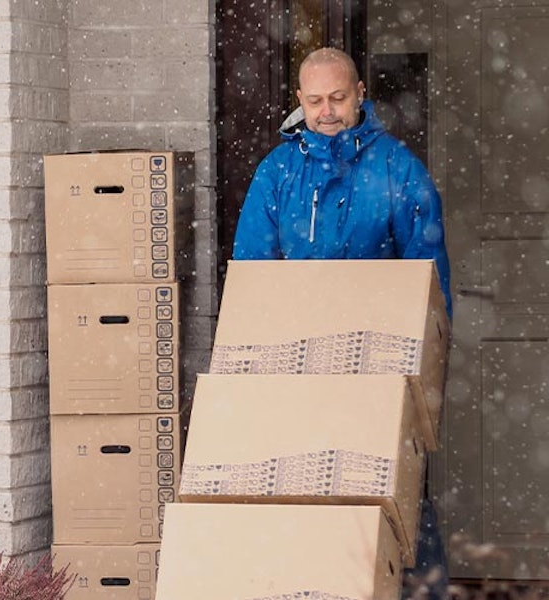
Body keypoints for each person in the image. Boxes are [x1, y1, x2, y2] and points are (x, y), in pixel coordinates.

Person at [232, 47, 451, 599]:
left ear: (359, 95)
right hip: (296, 371)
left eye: (337, 98)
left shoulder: (397, 169)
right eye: (314, 101)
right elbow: (252, 280)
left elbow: (429, 289)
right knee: (303, 500)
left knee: (397, 501)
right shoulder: (277, 172)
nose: (326, 111)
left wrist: (417, 386)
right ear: (298, 101)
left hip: (380, 373)